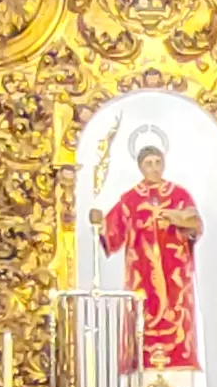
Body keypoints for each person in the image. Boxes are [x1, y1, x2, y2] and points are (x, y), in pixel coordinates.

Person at [88, 140, 206, 373]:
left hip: (175, 273)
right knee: (142, 314)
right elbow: (111, 233)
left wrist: (176, 217)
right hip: (141, 274)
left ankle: (180, 359)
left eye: (157, 162)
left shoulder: (179, 195)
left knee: (177, 313)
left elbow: (194, 223)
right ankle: (140, 362)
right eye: (148, 163)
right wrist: (97, 222)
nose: (153, 168)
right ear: (140, 167)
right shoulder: (130, 200)